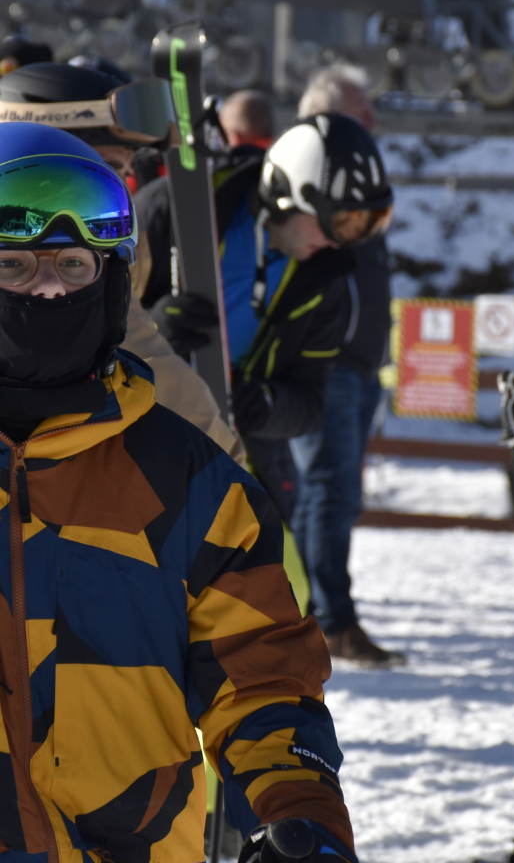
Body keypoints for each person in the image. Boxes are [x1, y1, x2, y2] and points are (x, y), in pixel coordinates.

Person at [0, 122, 355, 861]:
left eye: (73, 265)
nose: (48, 288)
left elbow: (264, 676)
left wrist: (303, 814)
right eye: (13, 267)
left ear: (110, 281)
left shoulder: (188, 480)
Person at [135, 112, 392, 576]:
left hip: (238, 444)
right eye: (340, 223)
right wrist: (149, 333)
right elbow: (85, 322)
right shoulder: (173, 211)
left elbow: (310, 402)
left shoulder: (323, 281)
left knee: (286, 589)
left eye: (361, 228)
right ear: (290, 194)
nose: (341, 243)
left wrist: (258, 406)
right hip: (137, 433)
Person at [0, 61, 248, 463]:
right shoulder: (77, 261)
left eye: (127, 173)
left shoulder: (111, 239)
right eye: (111, 169)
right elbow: (195, 426)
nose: (121, 190)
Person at [284, 67, 404, 666]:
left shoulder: (358, 179)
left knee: (327, 493)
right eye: (363, 113)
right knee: (330, 491)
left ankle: (310, 614)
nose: (375, 123)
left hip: (356, 365)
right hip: (324, 363)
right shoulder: (307, 181)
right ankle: (329, 620)